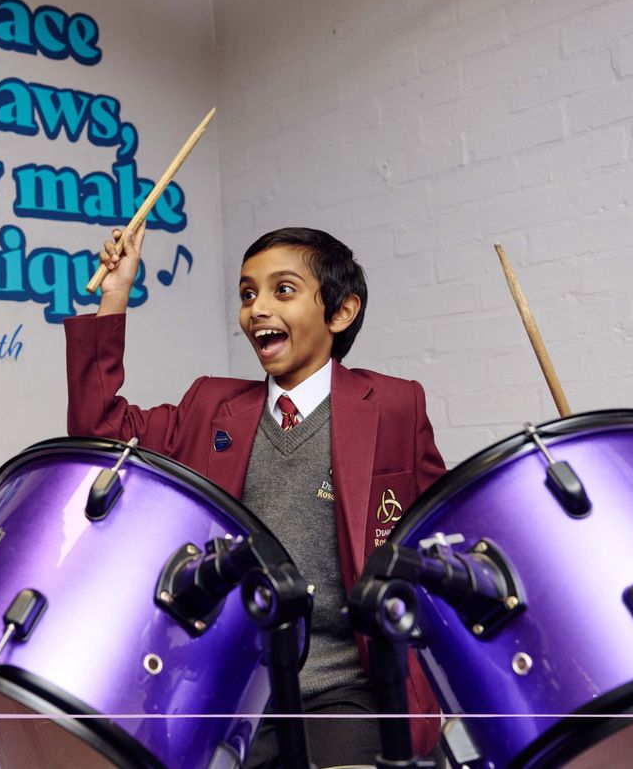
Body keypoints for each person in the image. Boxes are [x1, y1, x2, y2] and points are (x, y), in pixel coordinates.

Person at [65, 225, 446, 767]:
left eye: (282, 290)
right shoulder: (209, 404)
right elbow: (98, 429)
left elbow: (445, 527)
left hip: (346, 689)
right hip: (230, 691)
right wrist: (115, 294)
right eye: (248, 294)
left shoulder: (394, 405)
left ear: (340, 313)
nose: (257, 309)